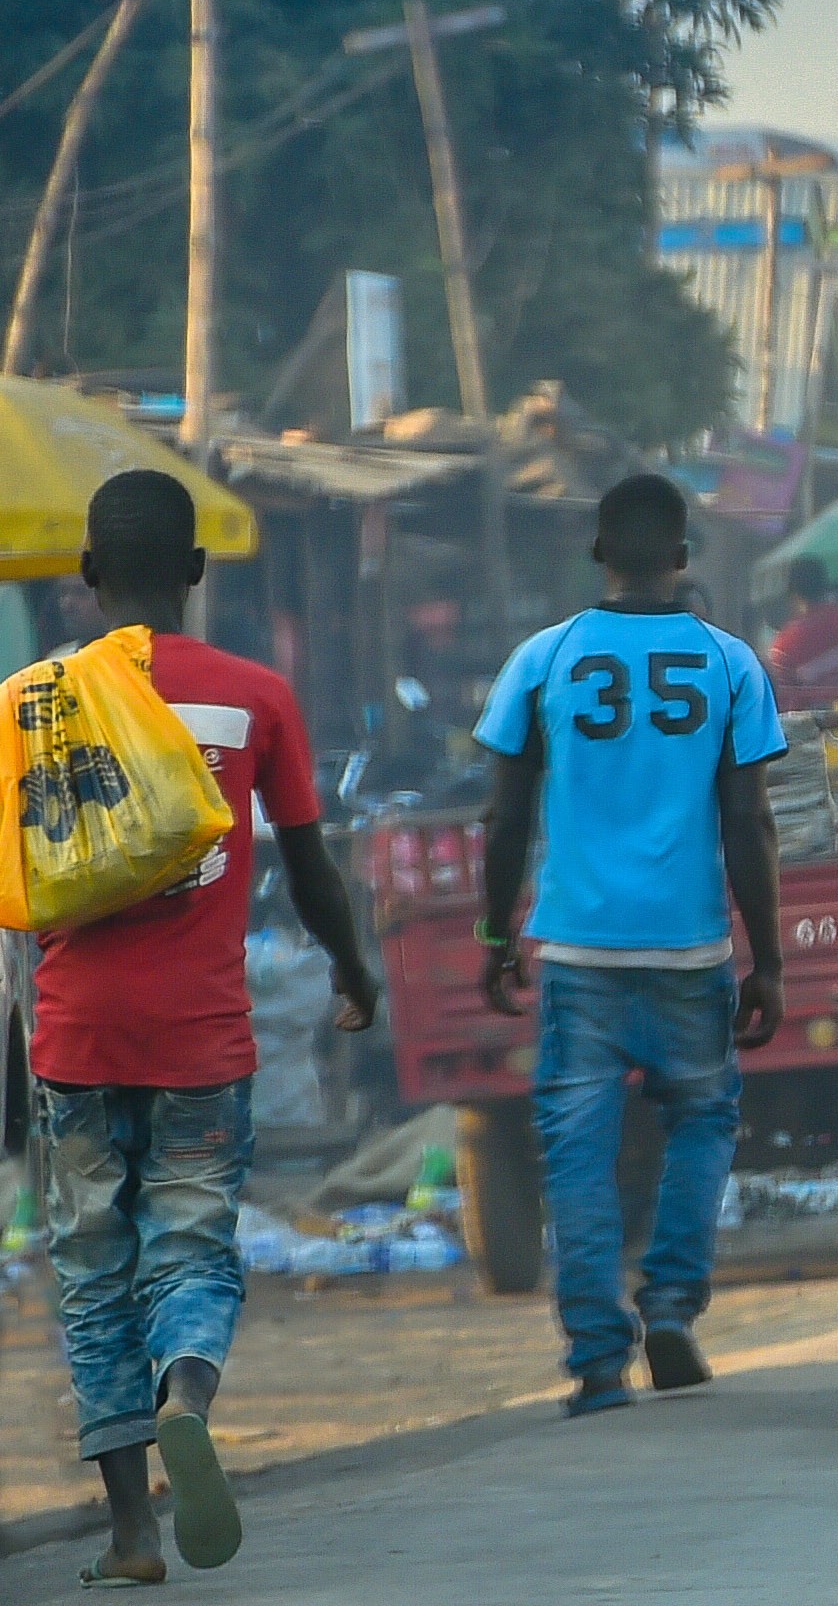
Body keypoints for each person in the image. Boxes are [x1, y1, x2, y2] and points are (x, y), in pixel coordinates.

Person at [25, 471, 379, 1584]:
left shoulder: (29, 702)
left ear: (85, 575)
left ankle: (132, 1534)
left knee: (92, 1273)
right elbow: (311, 862)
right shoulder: (254, 697)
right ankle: (187, 1390)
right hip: (200, 1039)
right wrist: (352, 967)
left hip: (75, 1036)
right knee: (191, 1249)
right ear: (194, 570)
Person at [473, 476, 788, 1418]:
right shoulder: (730, 664)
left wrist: (496, 934)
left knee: (577, 1152)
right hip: (690, 953)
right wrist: (763, 957)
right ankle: (673, 1305)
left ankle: (599, 1362)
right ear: (684, 558)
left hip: (579, 953)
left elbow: (502, 815)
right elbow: (750, 820)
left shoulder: (544, 659)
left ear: (596, 554)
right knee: (702, 1123)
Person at [766, 556, 838, 692]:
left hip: (811, 712)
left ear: (794, 594)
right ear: (825, 587)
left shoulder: (784, 643)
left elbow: (781, 695)